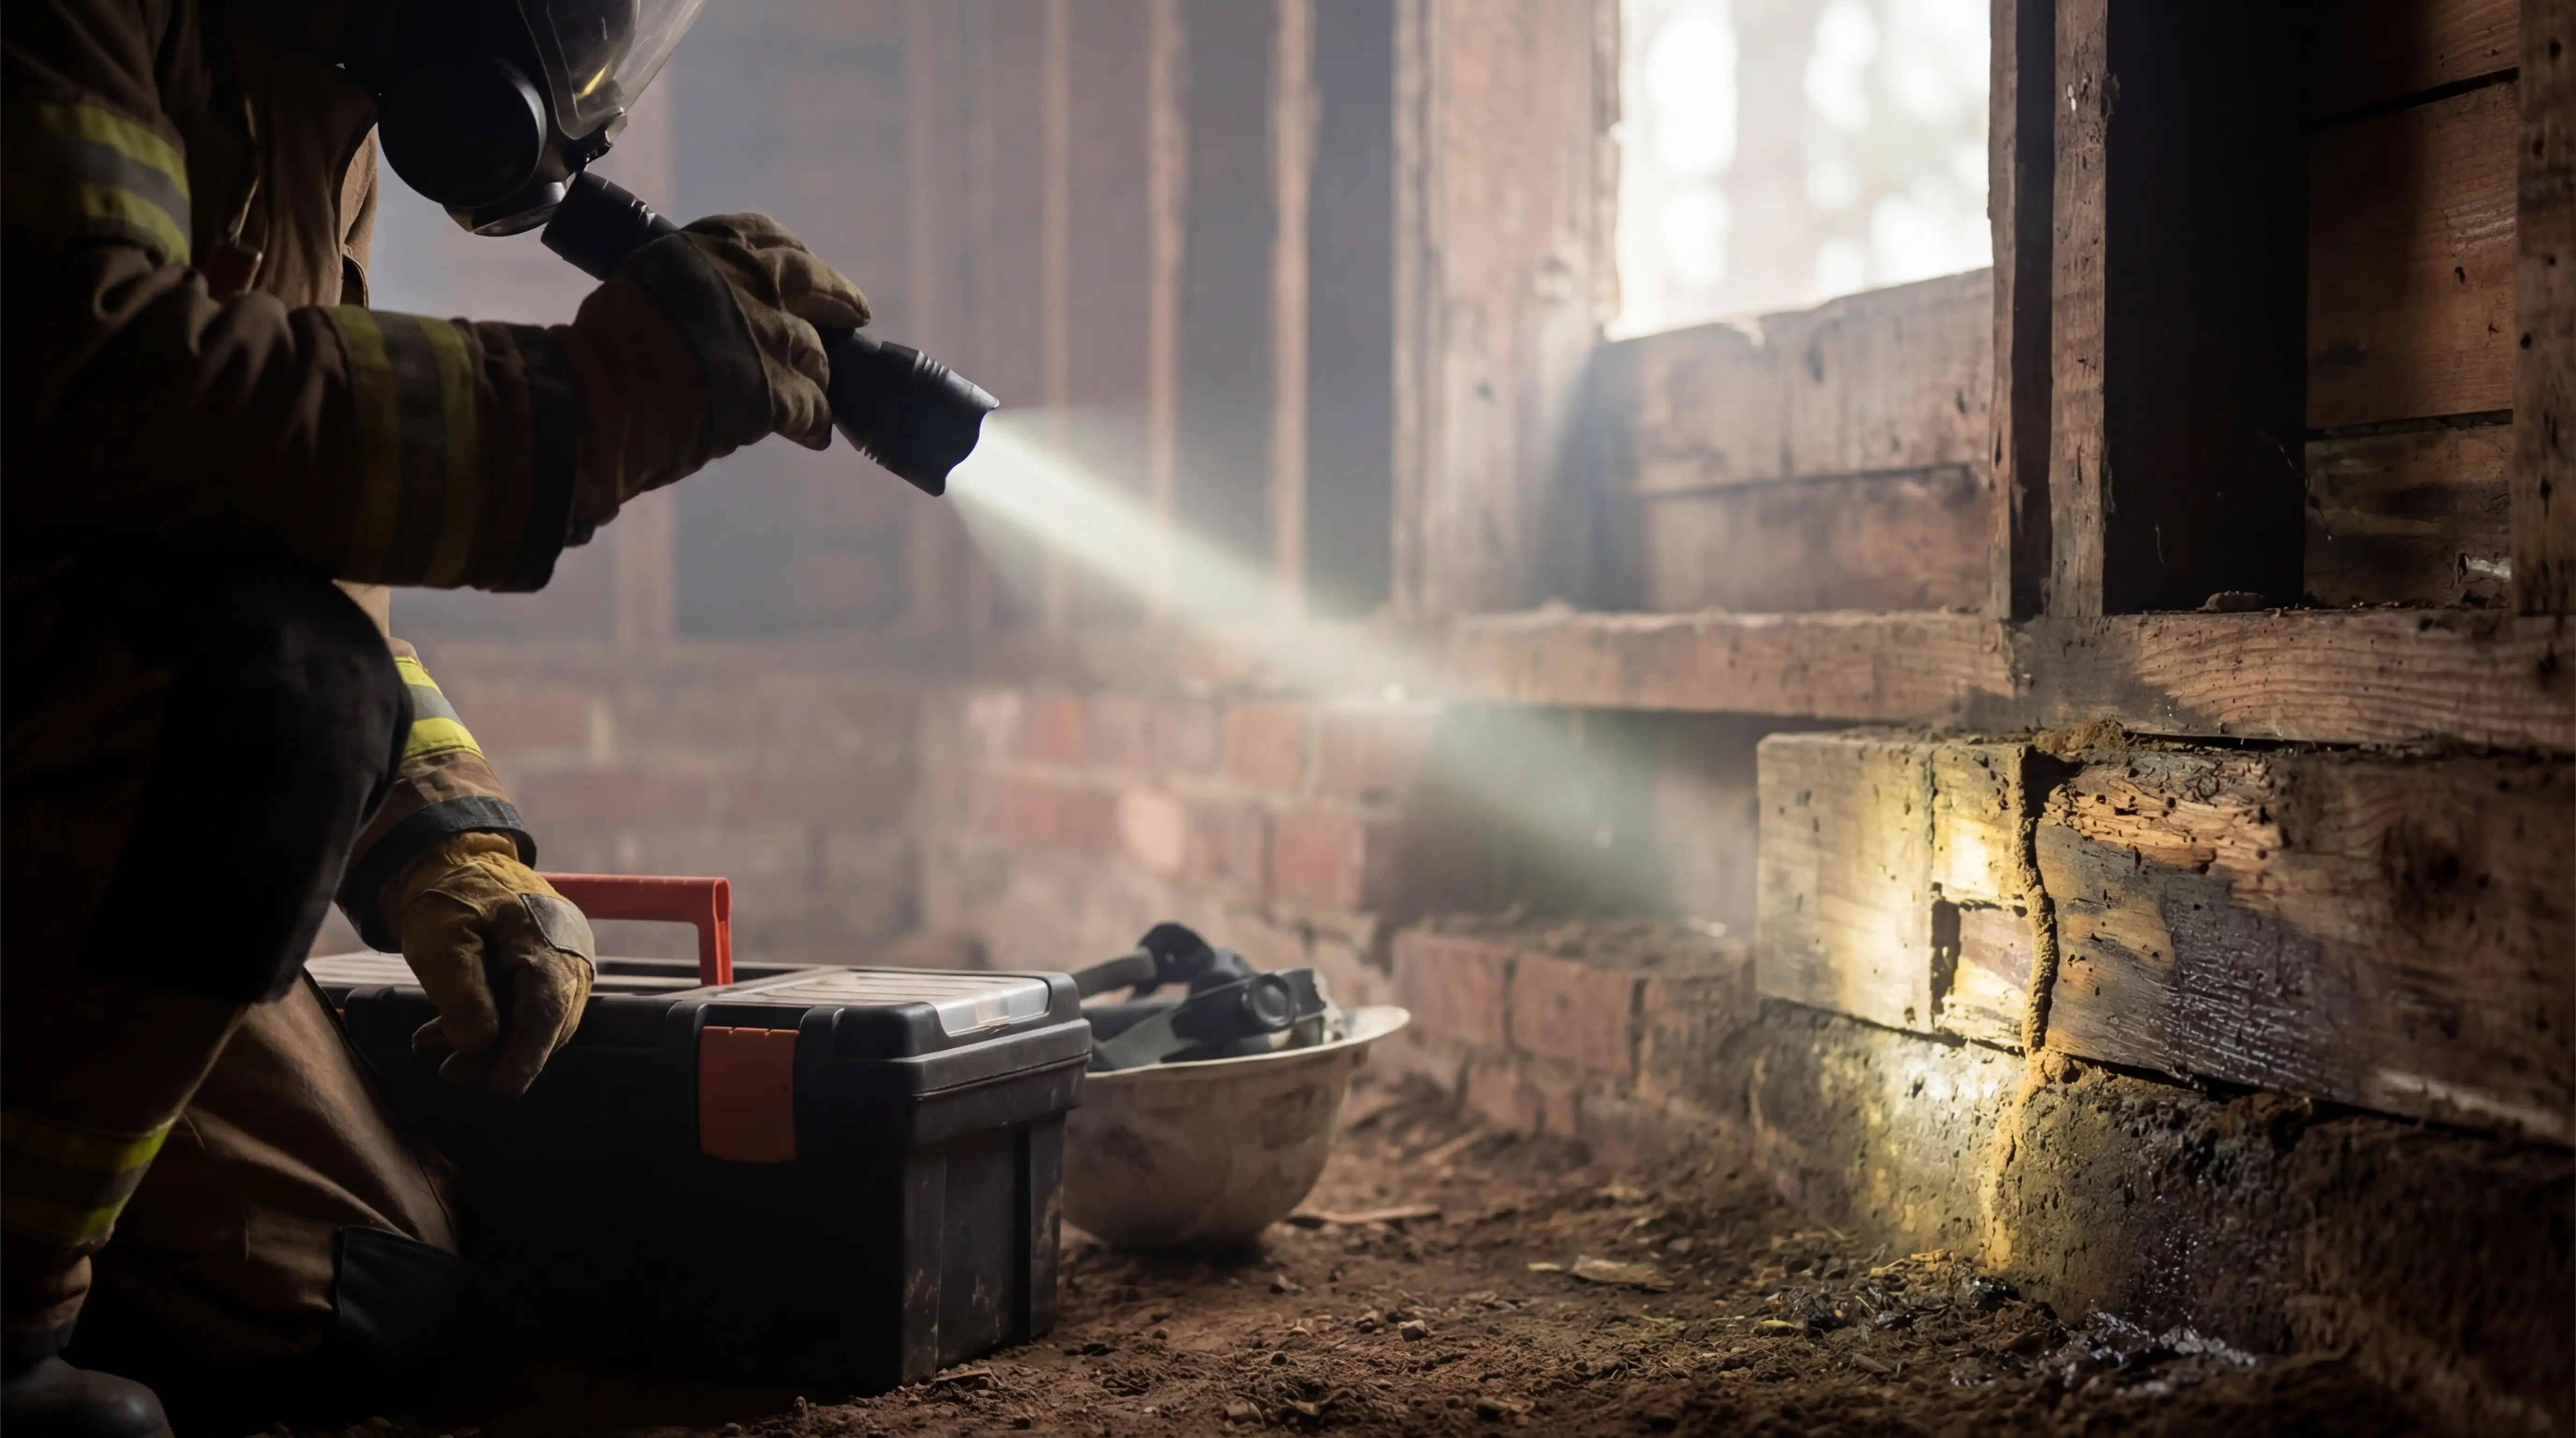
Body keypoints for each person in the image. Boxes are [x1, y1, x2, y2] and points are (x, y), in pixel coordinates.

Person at [1, 1, 869, 1430]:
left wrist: (444, 844)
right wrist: (580, 405)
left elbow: (240, 531)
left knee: (360, 1291)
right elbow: (79, 394)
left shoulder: (298, 89)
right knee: (283, 690)